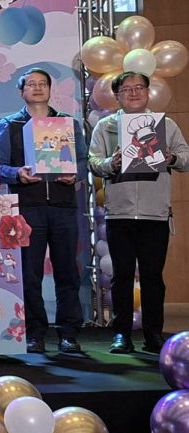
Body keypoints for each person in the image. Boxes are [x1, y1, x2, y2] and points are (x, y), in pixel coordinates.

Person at [88, 72, 189, 354]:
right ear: (117, 95)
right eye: (126, 89)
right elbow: (93, 161)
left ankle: (153, 334)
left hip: (155, 213)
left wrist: (171, 158)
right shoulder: (107, 126)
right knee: (121, 276)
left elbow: (186, 158)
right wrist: (112, 162)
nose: (133, 93)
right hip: (119, 213)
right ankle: (121, 334)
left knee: (152, 276)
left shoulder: (165, 125)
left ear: (147, 92)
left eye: (139, 88)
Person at [0, 67, 87, 354]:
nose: (37, 88)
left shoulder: (68, 123)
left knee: (67, 273)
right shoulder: (9, 124)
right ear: (21, 91)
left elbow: (83, 160)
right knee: (30, 274)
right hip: (27, 208)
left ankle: (68, 333)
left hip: (63, 207)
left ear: (50, 89)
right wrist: (17, 173)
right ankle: (35, 332)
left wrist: (75, 173)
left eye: (42, 84)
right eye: (31, 84)